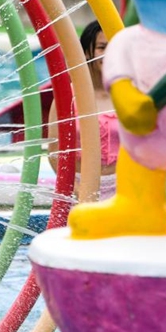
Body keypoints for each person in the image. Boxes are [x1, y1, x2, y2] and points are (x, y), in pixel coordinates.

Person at [47, 20, 118, 200]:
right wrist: (80, 192)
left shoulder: (126, 93)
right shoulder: (67, 97)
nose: (109, 54)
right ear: (87, 52)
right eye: (102, 47)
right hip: (78, 186)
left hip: (124, 186)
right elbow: (55, 153)